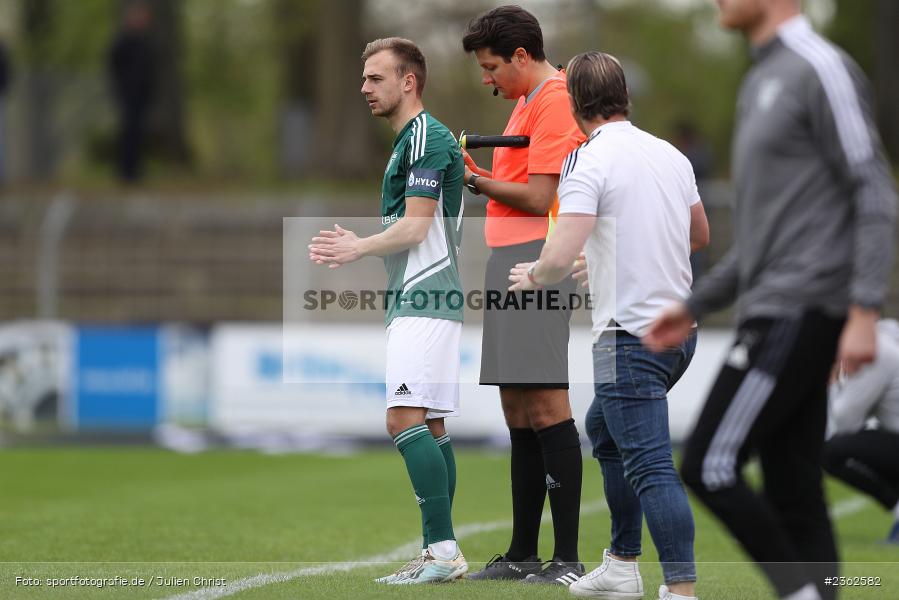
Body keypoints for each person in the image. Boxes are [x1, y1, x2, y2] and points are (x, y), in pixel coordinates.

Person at [644, 1, 898, 599]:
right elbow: (761, 240)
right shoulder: (759, 77)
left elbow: (875, 192)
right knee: (794, 490)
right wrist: (695, 304)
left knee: (709, 464)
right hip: (775, 305)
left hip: (801, 309)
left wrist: (864, 310)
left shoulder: (821, 68)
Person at [509, 51, 708, 600]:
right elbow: (699, 234)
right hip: (679, 333)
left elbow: (556, 255)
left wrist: (538, 273)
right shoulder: (669, 153)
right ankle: (621, 564)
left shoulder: (586, 160)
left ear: (574, 102)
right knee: (604, 431)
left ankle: (680, 590)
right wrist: (602, 259)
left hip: (629, 336)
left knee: (650, 464)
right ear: (625, 96)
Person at [308, 37, 467, 585]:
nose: (364, 88)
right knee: (432, 424)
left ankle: (442, 552)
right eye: (364, 78)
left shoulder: (424, 136)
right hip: (426, 296)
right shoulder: (410, 141)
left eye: (376, 78)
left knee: (404, 420)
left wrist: (358, 246)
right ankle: (439, 551)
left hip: (425, 296)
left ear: (409, 82)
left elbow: (418, 226)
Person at [460, 5, 586, 586]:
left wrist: (472, 176)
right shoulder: (525, 101)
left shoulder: (556, 96)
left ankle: (565, 559)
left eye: (491, 68)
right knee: (516, 407)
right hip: (508, 261)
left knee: (546, 405)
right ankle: (522, 553)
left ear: (520, 55)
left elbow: (540, 198)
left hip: (537, 262)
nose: (486, 79)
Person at [824, 319, 899, 544]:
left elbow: (846, 423)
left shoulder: (879, 352)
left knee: (830, 452)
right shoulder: (887, 340)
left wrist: (836, 380)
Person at [108, 1, 155, 183]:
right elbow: (113, 65)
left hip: (142, 95)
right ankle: (124, 171)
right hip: (127, 95)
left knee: (139, 133)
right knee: (127, 132)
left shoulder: (145, 42)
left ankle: (136, 171)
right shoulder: (123, 40)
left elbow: (151, 71)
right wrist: (121, 87)